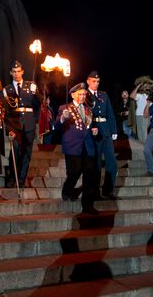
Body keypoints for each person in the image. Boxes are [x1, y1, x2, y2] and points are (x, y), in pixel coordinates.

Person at [55, 83, 100, 215]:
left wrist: (94, 131)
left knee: (89, 174)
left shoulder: (88, 110)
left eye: (84, 94)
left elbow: (88, 127)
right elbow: (57, 125)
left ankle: (88, 205)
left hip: (87, 146)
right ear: (73, 95)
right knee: (74, 172)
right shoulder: (65, 108)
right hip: (73, 146)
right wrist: (63, 117)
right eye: (80, 94)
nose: (82, 96)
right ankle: (67, 190)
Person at [2, 60, 40, 188]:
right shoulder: (7, 90)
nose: (16, 74)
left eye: (19, 71)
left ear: (22, 72)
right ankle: (12, 178)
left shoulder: (31, 86)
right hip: (15, 124)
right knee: (16, 150)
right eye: (14, 72)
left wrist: (36, 94)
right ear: (10, 73)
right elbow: (6, 112)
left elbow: (38, 104)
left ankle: (22, 180)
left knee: (27, 152)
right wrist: (9, 129)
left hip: (29, 123)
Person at [85, 71, 119, 200]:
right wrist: (90, 126)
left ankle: (108, 190)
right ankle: (95, 192)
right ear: (88, 81)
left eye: (98, 81)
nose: (96, 84)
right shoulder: (84, 95)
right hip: (94, 131)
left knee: (112, 162)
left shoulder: (103, 95)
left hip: (105, 131)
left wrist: (114, 130)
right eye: (93, 81)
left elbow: (110, 113)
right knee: (96, 163)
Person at [129, 75, 153, 142]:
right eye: (146, 85)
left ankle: (145, 147)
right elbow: (132, 96)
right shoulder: (140, 95)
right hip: (141, 115)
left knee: (145, 133)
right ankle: (143, 148)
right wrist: (138, 86)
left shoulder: (152, 96)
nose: (148, 86)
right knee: (142, 133)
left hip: (150, 116)